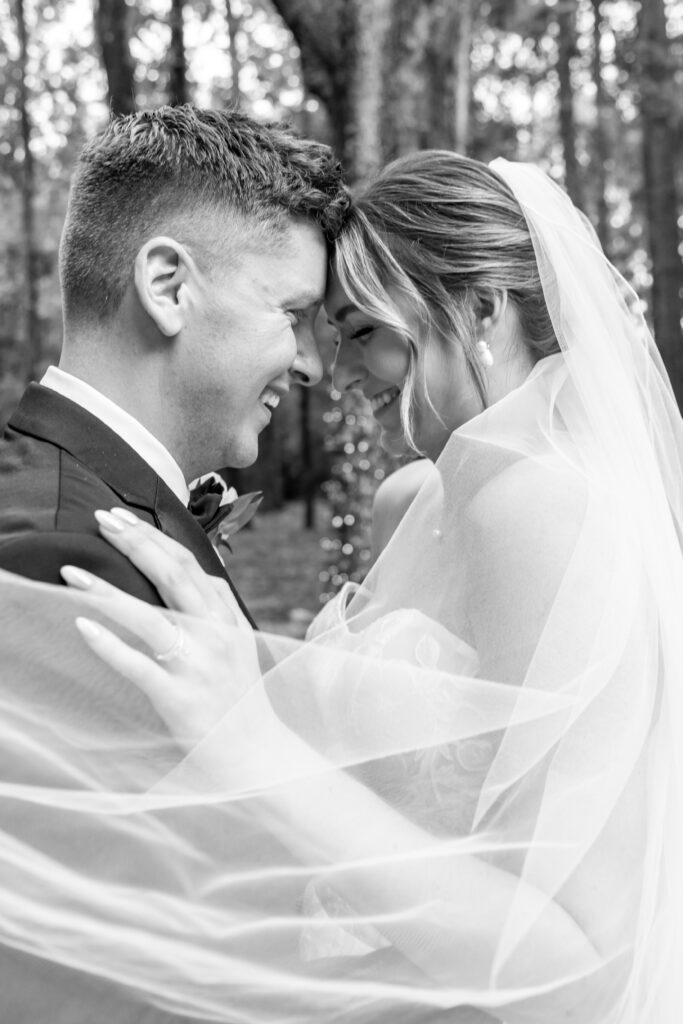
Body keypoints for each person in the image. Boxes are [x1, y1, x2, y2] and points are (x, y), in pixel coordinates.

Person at [1, 151, 683, 1023]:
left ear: (480, 308)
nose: (328, 370)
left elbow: (581, 967)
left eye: (359, 330)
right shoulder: (413, 502)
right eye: (311, 325)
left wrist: (255, 744)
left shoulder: (541, 506)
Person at [0, 104, 348, 619]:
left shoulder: (84, 500)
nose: (311, 366)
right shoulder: (61, 559)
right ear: (168, 287)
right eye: (293, 314)